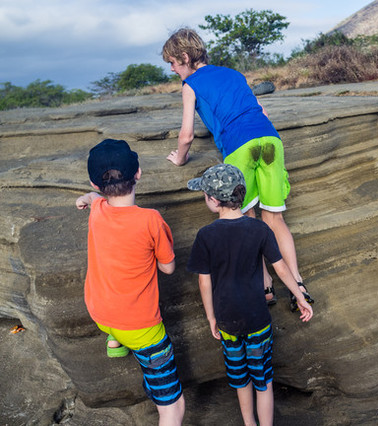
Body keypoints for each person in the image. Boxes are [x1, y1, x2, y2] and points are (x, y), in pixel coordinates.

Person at [161, 27, 314, 311]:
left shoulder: (190, 84)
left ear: (184, 56)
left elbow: (186, 135)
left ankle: (265, 286)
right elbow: (263, 111)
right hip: (269, 142)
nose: (171, 69)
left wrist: (180, 159)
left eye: (172, 62)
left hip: (239, 147)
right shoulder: (233, 74)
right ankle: (298, 284)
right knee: (275, 218)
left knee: (247, 219)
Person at [186, 164, 313, 426]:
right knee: (264, 381)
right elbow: (280, 267)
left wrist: (211, 317)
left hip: (227, 321)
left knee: (241, 380)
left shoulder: (206, 236)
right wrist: (300, 296)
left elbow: (204, 281)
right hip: (257, 320)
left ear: (213, 200)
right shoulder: (259, 230)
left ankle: (249, 424)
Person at [75, 139, 185, 426]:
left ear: (95, 183)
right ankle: (126, 342)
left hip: (99, 313)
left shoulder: (97, 210)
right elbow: (169, 267)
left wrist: (83, 199)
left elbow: (91, 197)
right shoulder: (150, 220)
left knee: (115, 321)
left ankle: (115, 341)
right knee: (173, 407)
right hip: (141, 329)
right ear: (138, 174)